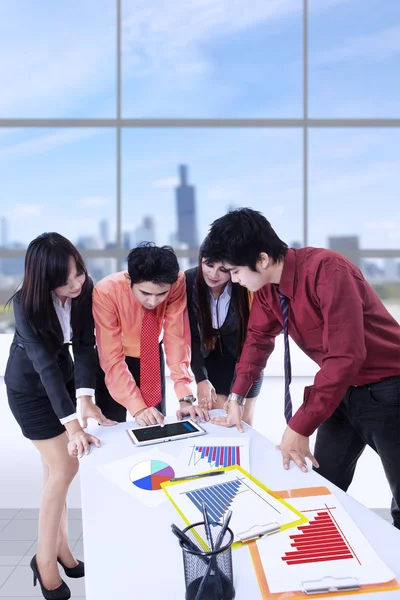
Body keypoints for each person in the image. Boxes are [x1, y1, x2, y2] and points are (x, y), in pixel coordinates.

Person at [205, 208, 400, 530]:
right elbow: (257, 340)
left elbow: (345, 356)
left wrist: (299, 426)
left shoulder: (328, 270)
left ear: (263, 259)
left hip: (388, 390)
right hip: (339, 392)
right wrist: (236, 397)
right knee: (326, 482)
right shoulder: (268, 288)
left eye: (235, 271)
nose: (234, 280)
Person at [4, 233, 115, 599]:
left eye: (79, 273)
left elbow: (85, 346)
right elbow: (43, 367)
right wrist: (72, 426)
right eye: (65, 280)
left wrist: (85, 398)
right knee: (65, 468)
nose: (76, 284)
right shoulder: (25, 304)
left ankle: (62, 551)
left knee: (55, 471)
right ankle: (44, 561)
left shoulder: (84, 289)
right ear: (44, 279)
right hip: (29, 391)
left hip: (64, 383)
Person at [93, 243, 209, 426]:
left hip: (151, 355)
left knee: (155, 423)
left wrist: (185, 398)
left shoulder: (176, 282)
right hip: (116, 360)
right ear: (129, 278)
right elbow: (111, 357)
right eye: (145, 293)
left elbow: (177, 338)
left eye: (161, 294)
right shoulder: (106, 291)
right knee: (112, 426)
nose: (153, 301)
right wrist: (138, 408)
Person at [185, 235, 263, 426]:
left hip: (245, 361)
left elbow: (256, 341)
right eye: (209, 265)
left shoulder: (246, 286)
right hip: (209, 361)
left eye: (223, 269)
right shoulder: (188, 281)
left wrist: (238, 395)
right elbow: (192, 338)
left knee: (243, 422)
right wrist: (201, 378)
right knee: (215, 422)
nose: (214, 274)